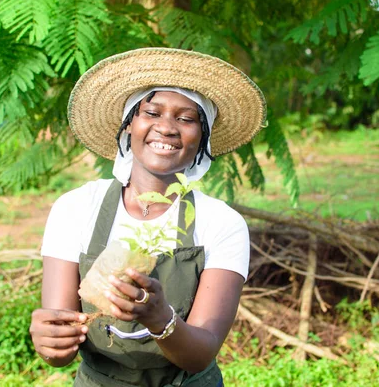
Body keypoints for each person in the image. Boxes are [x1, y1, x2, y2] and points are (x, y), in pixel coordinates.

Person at [29, 47, 266, 387]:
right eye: (151, 112)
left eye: (186, 119)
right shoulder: (77, 209)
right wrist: (49, 342)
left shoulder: (221, 224)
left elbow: (202, 352)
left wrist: (160, 318)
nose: (167, 127)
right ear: (128, 125)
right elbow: (60, 346)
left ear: (202, 137)